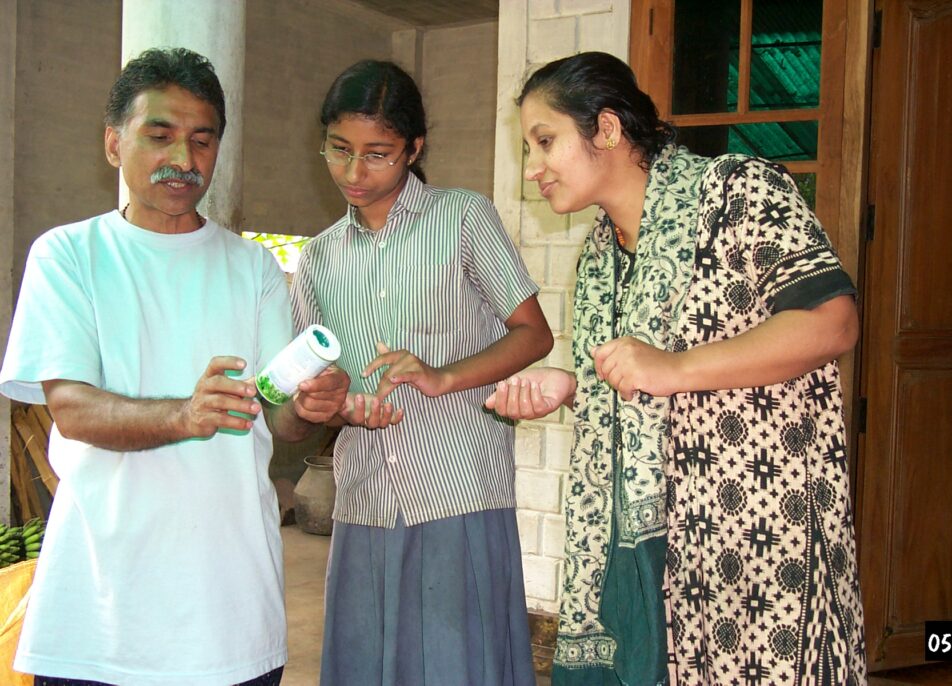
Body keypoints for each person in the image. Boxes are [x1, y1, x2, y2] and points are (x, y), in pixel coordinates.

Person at [486, 52, 867, 686]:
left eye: (545, 141)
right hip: (657, 550)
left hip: (758, 538)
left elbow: (832, 321)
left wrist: (677, 367)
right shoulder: (601, 254)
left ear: (606, 129)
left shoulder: (737, 191)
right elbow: (643, 387)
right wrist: (575, 388)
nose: (534, 169)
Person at [0, 48, 348, 686]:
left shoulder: (253, 269)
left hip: (229, 613)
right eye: (159, 137)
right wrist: (185, 415)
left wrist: (308, 406)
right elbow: (72, 410)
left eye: (202, 140)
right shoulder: (69, 255)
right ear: (114, 142)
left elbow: (279, 418)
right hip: (100, 613)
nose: (183, 161)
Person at [289, 60, 552, 686]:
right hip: (365, 499)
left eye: (377, 154)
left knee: (458, 665)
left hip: (457, 490)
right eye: (339, 150)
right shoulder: (318, 258)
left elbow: (534, 334)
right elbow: (319, 381)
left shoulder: (463, 219)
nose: (354, 173)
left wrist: (441, 376)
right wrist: (340, 404)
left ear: (413, 149)